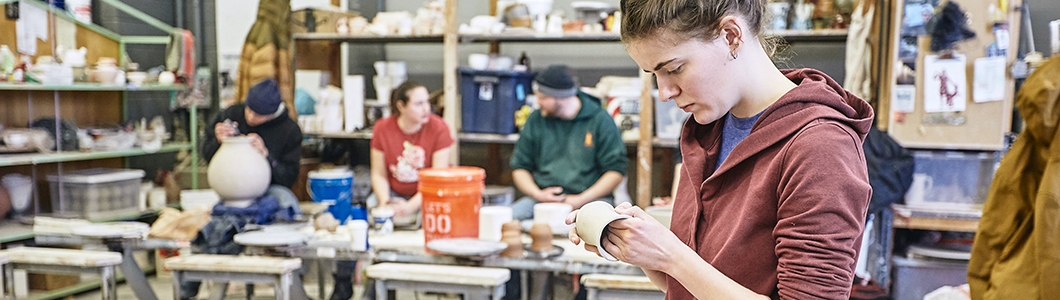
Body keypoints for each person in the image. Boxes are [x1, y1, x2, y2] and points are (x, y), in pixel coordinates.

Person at [566, 0, 874, 299]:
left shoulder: (820, 148)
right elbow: (691, 287)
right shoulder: (707, 131)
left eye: (674, 69)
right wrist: (641, 248)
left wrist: (673, 256)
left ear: (730, 36)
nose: (664, 93)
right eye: (654, 75)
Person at [328, 80, 453, 300]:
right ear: (401, 106)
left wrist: (410, 207)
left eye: (427, 103)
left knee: (434, 222)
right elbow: (378, 173)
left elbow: (437, 177)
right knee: (362, 219)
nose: (426, 109)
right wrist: (385, 201)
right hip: (393, 192)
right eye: (419, 103)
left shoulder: (439, 127)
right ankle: (346, 282)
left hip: (428, 193)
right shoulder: (383, 128)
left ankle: (437, 281)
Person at [510, 64, 628, 220]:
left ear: (561, 97)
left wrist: (580, 199)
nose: (538, 103)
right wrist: (538, 194)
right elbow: (519, 168)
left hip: (590, 200)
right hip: (544, 200)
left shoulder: (600, 119)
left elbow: (616, 171)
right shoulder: (535, 119)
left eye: (543, 97)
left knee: (599, 226)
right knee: (504, 220)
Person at [202, 77, 303, 211]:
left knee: (287, 203)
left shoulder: (290, 131)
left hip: (270, 188)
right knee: (208, 211)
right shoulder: (232, 114)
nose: (250, 117)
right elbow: (206, 155)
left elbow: (288, 179)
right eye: (249, 109)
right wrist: (218, 141)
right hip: (231, 187)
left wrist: (266, 155)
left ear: (271, 114)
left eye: (258, 115)